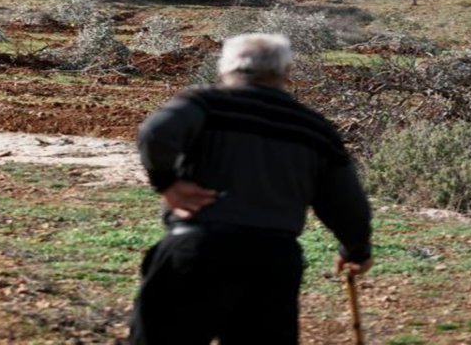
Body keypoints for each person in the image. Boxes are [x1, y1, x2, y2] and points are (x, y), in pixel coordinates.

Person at [131, 33, 372, 344]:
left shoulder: (203, 103)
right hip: (273, 260)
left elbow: (156, 134)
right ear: (285, 73)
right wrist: (356, 250)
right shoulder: (315, 127)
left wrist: (167, 184)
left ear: (224, 68)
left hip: (198, 249)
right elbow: (345, 202)